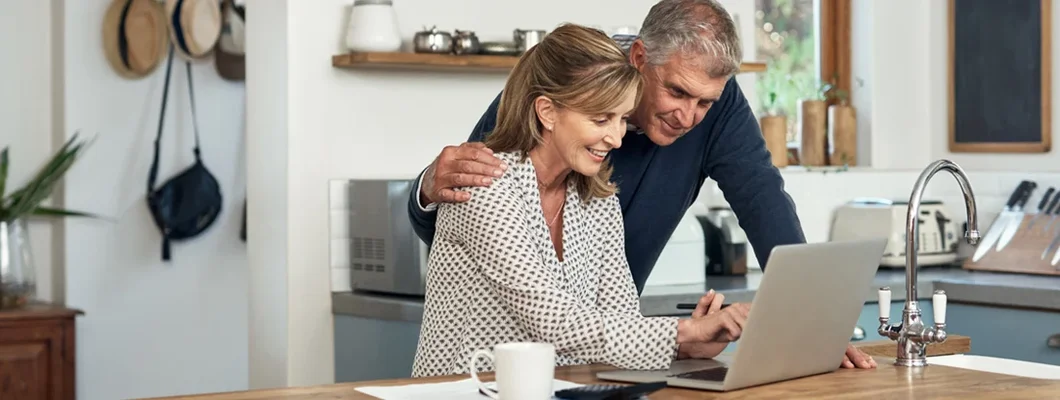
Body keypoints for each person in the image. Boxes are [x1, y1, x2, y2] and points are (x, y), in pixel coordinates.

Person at [408, 0, 876, 370]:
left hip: (570, 374)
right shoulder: (548, 104)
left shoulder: (597, 191)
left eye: (704, 102)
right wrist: (428, 188)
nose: (689, 116)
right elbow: (466, 202)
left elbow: (762, 197)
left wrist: (813, 329)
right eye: (676, 92)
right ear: (639, 59)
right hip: (471, 381)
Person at [410, 23, 752, 378]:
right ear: (548, 112)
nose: (617, 138)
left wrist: (687, 345)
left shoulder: (597, 198)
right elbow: (553, 321)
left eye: (621, 119)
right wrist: (683, 333)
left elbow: (619, 324)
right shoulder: (487, 187)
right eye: (600, 118)